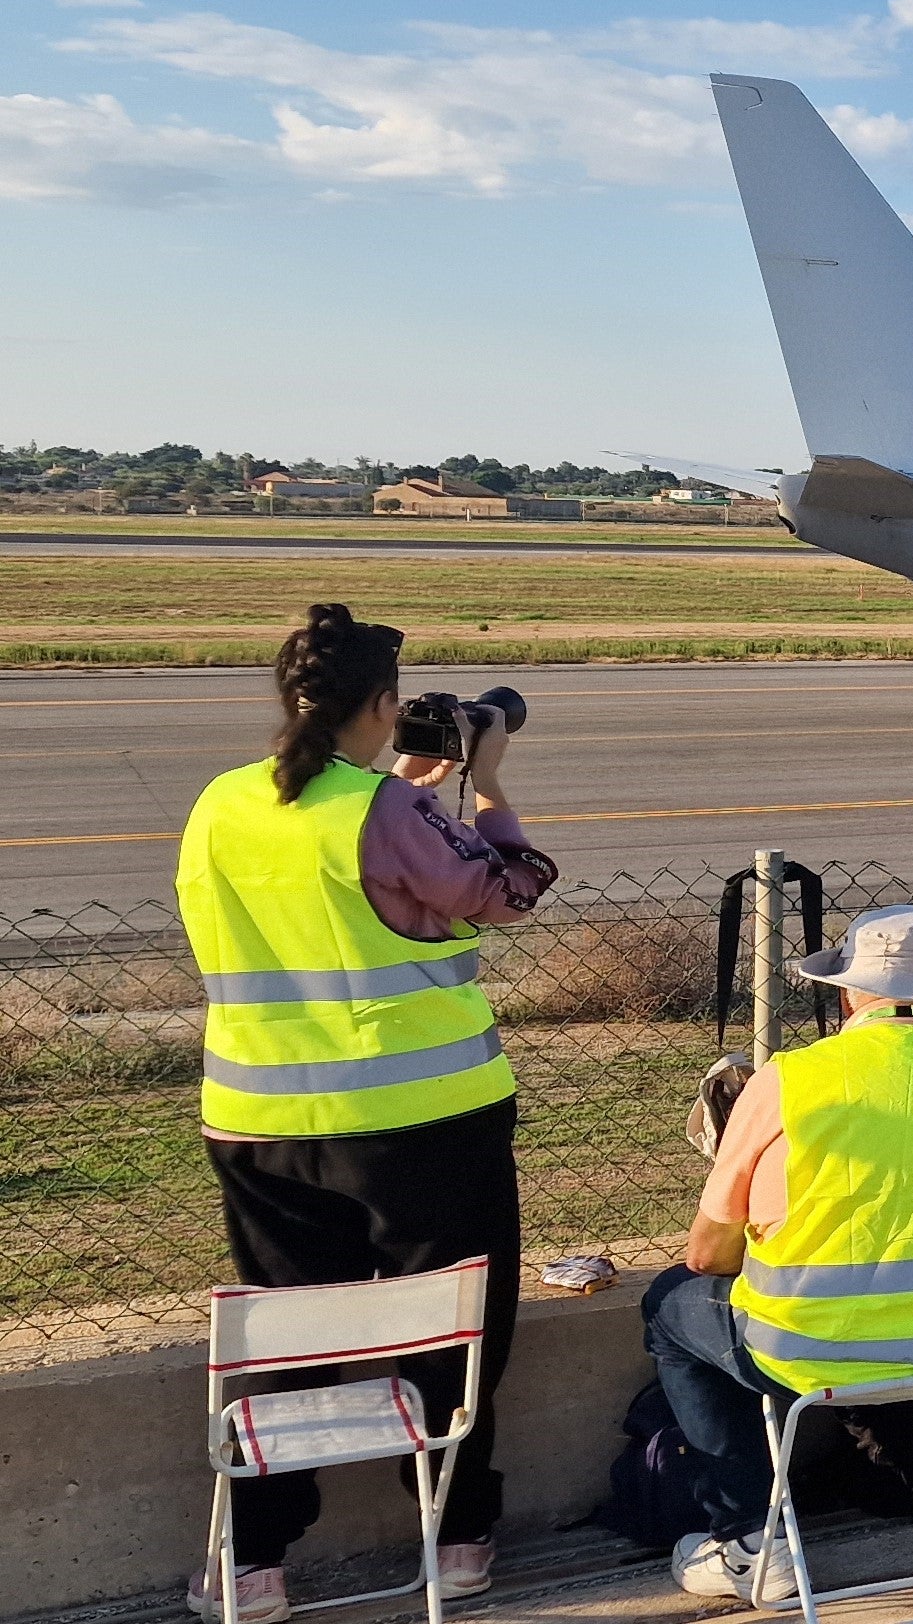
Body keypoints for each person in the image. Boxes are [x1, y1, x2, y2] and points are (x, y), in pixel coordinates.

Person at [179, 606, 555, 1624]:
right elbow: (510, 891)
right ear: (386, 706)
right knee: (451, 1329)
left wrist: (410, 804)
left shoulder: (221, 801)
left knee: (289, 1333)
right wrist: (488, 784)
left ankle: (251, 1558)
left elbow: (326, 884)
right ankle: (457, 1532)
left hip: (256, 1116)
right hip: (420, 1116)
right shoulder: (381, 811)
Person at [644, 906, 913, 1599]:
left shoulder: (786, 1080)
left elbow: (706, 1257)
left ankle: (753, 1538)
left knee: (667, 1307)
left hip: (802, 1354)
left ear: (845, 993)